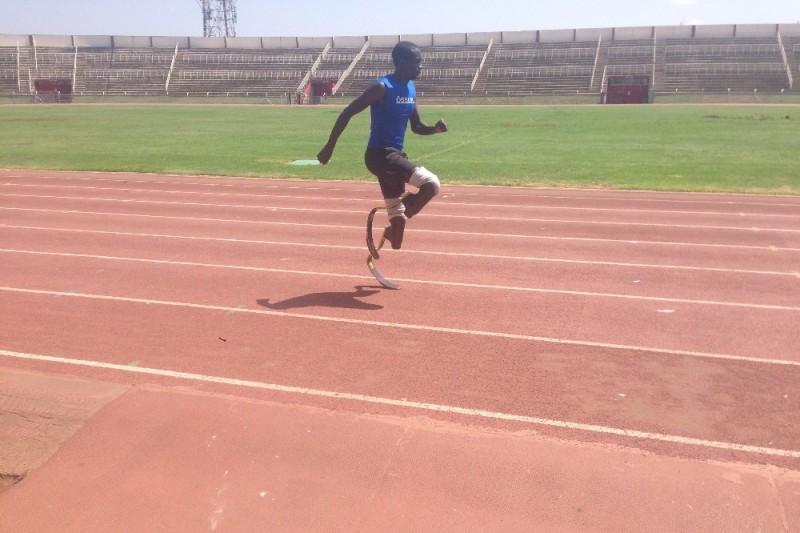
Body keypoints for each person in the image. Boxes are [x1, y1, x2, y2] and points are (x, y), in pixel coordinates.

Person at [317, 41, 447, 251]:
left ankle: (392, 231)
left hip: (395, 156)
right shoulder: (382, 87)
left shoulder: (411, 88)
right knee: (431, 184)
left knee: (397, 236)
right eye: (417, 62)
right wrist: (329, 146)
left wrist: (435, 129)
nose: (420, 66)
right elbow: (348, 112)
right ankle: (404, 207)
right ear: (402, 62)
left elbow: (416, 126)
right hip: (380, 156)